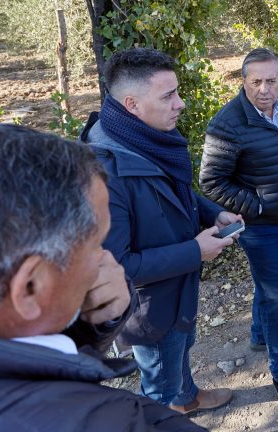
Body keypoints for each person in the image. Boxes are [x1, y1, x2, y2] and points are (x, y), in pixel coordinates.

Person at [0, 125, 206, 431]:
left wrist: (91, 324)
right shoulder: (97, 420)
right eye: (96, 245)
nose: (108, 260)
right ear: (30, 286)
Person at [81, 47, 237, 414]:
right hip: (150, 309)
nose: (180, 104)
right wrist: (194, 252)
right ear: (132, 104)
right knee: (160, 386)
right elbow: (117, 267)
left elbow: (173, 193)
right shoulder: (104, 174)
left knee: (180, 351)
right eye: (168, 96)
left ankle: (188, 397)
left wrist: (212, 213)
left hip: (177, 289)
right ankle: (170, 411)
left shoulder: (145, 138)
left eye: (177, 92)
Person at [199, 48, 278, 414]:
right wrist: (259, 207)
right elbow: (211, 181)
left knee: (271, 286)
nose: (265, 89)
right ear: (244, 81)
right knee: (276, 296)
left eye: (272, 80)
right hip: (260, 226)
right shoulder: (228, 124)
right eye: (256, 82)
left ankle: (259, 336)